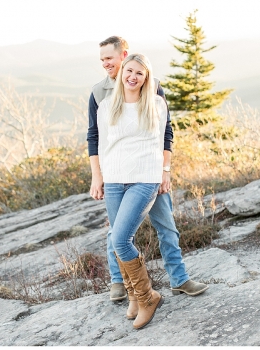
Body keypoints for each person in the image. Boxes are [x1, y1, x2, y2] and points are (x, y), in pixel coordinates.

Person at [87, 37, 208, 321]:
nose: (106, 64)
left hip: (149, 174)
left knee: (165, 225)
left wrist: (165, 172)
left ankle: (178, 279)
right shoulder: (99, 94)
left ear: (124, 57)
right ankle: (127, 288)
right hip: (118, 175)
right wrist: (98, 175)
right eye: (101, 59)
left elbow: (164, 132)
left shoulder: (152, 88)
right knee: (116, 233)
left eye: (110, 58)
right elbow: (96, 138)